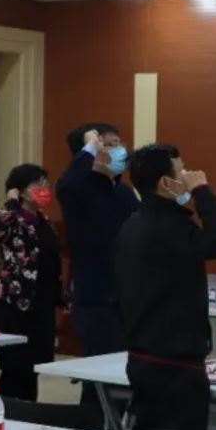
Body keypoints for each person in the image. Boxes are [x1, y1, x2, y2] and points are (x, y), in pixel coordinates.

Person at [116, 144, 216, 430]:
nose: (190, 175)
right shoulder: (171, 226)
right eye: (183, 171)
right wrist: (202, 192)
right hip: (176, 366)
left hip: (142, 356)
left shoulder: (132, 224)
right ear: (166, 183)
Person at [55, 123, 138, 356]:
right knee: (103, 365)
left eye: (119, 144)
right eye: (109, 145)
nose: (119, 150)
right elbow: (68, 184)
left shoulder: (123, 192)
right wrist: (90, 146)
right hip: (98, 299)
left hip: (129, 295)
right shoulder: (77, 190)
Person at [0, 164, 63, 401]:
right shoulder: (11, 218)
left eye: (46, 184)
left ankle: (29, 412)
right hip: (15, 304)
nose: (44, 189)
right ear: (20, 190)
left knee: (35, 366)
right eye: (38, 184)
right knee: (15, 367)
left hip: (42, 303)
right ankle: (8, 412)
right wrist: (11, 203)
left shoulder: (44, 220)